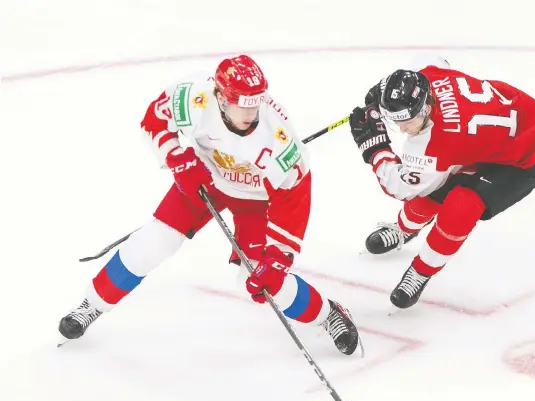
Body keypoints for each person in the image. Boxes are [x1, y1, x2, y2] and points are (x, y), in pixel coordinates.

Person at [58, 54, 361, 355]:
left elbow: (294, 193)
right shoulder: (194, 96)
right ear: (220, 95)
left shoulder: (277, 139)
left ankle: (329, 314)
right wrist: (177, 159)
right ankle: (92, 304)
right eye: (242, 104)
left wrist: (279, 256)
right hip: (205, 179)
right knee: (154, 241)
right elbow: (155, 119)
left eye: (255, 104)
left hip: (257, 200)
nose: (250, 113)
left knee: (262, 280)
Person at [348, 54, 535, 309]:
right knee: (428, 197)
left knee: (459, 206)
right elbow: (433, 61)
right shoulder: (430, 77)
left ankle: (421, 271)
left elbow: (400, 186)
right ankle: (405, 229)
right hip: (491, 134)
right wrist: (380, 95)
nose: (402, 129)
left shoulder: (434, 144)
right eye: (395, 120)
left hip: (523, 155)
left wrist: (375, 148)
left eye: (405, 121)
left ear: (424, 108)